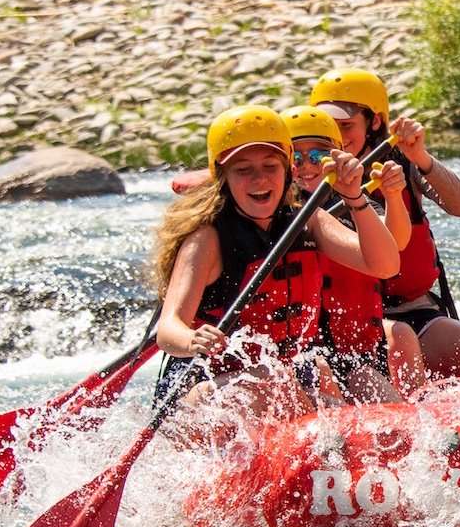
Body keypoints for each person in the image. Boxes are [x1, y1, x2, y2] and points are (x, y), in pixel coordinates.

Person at [150, 105, 401, 429]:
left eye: (270, 165)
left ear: (288, 170)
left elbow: (385, 265)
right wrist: (192, 339)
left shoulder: (306, 218)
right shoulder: (208, 239)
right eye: (243, 169)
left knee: (358, 401)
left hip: (285, 383)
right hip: (204, 395)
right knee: (273, 380)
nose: (259, 178)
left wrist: (354, 197)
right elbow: (168, 330)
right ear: (223, 178)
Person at [311, 68, 460, 379]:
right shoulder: (310, 173)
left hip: (410, 308)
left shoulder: (401, 164)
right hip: (351, 316)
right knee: (401, 340)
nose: (338, 136)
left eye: (347, 125)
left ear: (374, 122)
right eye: (329, 127)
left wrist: (420, 156)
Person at [282, 105, 429, 395]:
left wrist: (392, 196)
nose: (308, 166)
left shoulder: (350, 199)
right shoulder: (276, 214)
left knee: (401, 334)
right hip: (306, 352)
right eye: (296, 157)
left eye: (318, 156)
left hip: (352, 349)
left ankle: (419, 409)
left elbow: (395, 243)